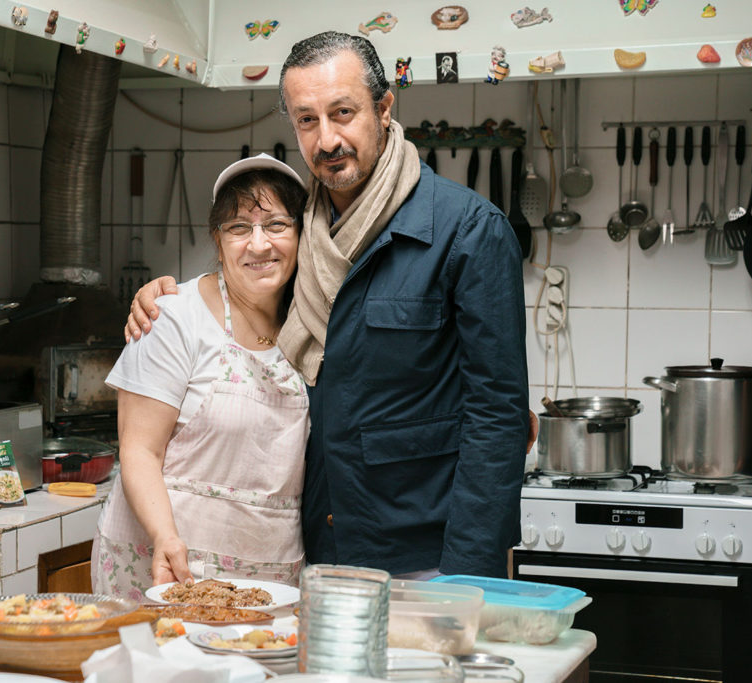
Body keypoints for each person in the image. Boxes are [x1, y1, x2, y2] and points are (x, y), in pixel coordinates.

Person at [126, 31, 531, 579]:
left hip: (428, 557)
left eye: (343, 113)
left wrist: (468, 575)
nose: (327, 139)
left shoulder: (468, 232)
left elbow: (497, 416)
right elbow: (242, 293)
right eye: (307, 120)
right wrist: (164, 297)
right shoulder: (303, 239)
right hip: (319, 545)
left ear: (383, 109)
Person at [91, 154, 310, 600]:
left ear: (301, 234)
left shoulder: (312, 322)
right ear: (218, 239)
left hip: (269, 576)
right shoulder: (172, 317)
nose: (259, 244)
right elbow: (139, 450)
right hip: (166, 567)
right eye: (239, 228)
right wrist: (164, 536)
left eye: (276, 225)